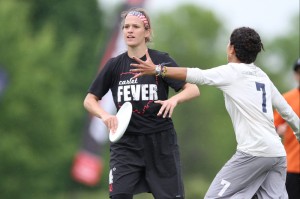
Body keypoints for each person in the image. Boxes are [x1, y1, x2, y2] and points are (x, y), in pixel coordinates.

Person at [131, 27, 300, 199]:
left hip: (254, 152)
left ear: (232, 48)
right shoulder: (262, 76)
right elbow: (287, 111)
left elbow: (196, 75)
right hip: (277, 154)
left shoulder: (232, 72)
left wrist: (158, 70)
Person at [83, 7, 200, 199]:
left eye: (135, 27)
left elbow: (193, 89)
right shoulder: (114, 66)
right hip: (126, 144)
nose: (129, 30)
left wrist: (174, 100)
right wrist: (104, 115)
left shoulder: (161, 61)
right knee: (118, 195)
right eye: (126, 26)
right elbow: (89, 100)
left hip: (161, 143)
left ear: (147, 32)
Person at [273, 58, 300, 199]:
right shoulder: (287, 99)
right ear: (296, 75)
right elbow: (271, 127)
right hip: (293, 166)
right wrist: (278, 130)